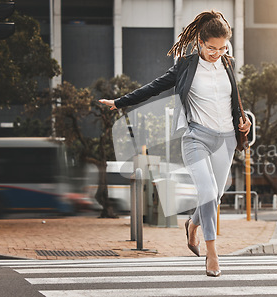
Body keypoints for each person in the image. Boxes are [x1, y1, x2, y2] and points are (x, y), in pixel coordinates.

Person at [99, 10, 250, 277]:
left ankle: (193, 226)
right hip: (196, 137)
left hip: (226, 139)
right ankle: (212, 253)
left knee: (215, 196)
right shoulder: (185, 65)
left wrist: (242, 121)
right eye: (212, 48)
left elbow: (232, 101)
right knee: (206, 191)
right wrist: (120, 102)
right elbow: (154, 87)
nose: (217, 53)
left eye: (223, 47)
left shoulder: (228, 64)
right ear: (200, 43)